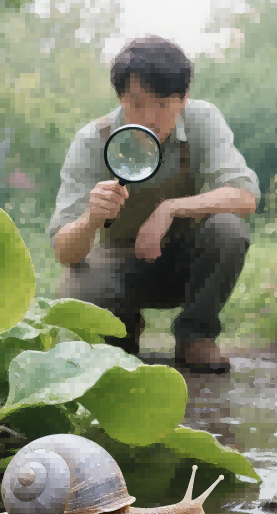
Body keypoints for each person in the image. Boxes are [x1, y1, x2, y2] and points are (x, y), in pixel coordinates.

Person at [47, 35, 260, 373]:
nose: (149, 116)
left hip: (186, 263)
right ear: (120, 98)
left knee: (228, 228)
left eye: (163, 104)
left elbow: (245, 195)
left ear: (184, 98)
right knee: (75, 289)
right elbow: (64, 252)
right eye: (136, 103)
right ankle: (121, 334)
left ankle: (196, 336)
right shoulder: (92, 140)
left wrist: (170, 208)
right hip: (118, 267)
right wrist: (90, 218)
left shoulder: (202, 120)